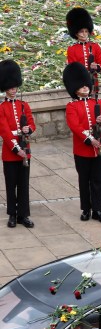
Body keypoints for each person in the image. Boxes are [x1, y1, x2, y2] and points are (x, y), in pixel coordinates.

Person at [63, 62, 101, 224]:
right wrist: (90, 139)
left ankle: (98, 209)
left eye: (86, 85)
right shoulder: (72, 106)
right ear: (74, 88)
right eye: (81, 86)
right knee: (84, 180)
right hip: (83, 149)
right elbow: (75, 126)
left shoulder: (97, 103)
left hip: (99, 149)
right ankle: (86, 209)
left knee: (98, 180)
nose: (85, 87)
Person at [0, 61, 35, 229]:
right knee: (11, 184)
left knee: (23, 184)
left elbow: (32, 123)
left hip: (25, 149)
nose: (14, 89)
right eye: (10, 87)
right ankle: (12, 215)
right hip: (10, 152)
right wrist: (16, 148)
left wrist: (28, 129)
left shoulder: (24, 105)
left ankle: (23, 214)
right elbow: (4, 131)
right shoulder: (2, 108)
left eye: (15, 87)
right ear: (6, 88)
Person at [65, 7, 101, 83]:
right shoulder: (72, 49)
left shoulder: (95, 46)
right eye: (81, 31)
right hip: (79, 81)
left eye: (86, 31)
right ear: (76, 33)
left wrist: (97, 67)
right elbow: (73, 68)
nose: (84, 34)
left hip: (93, 80)